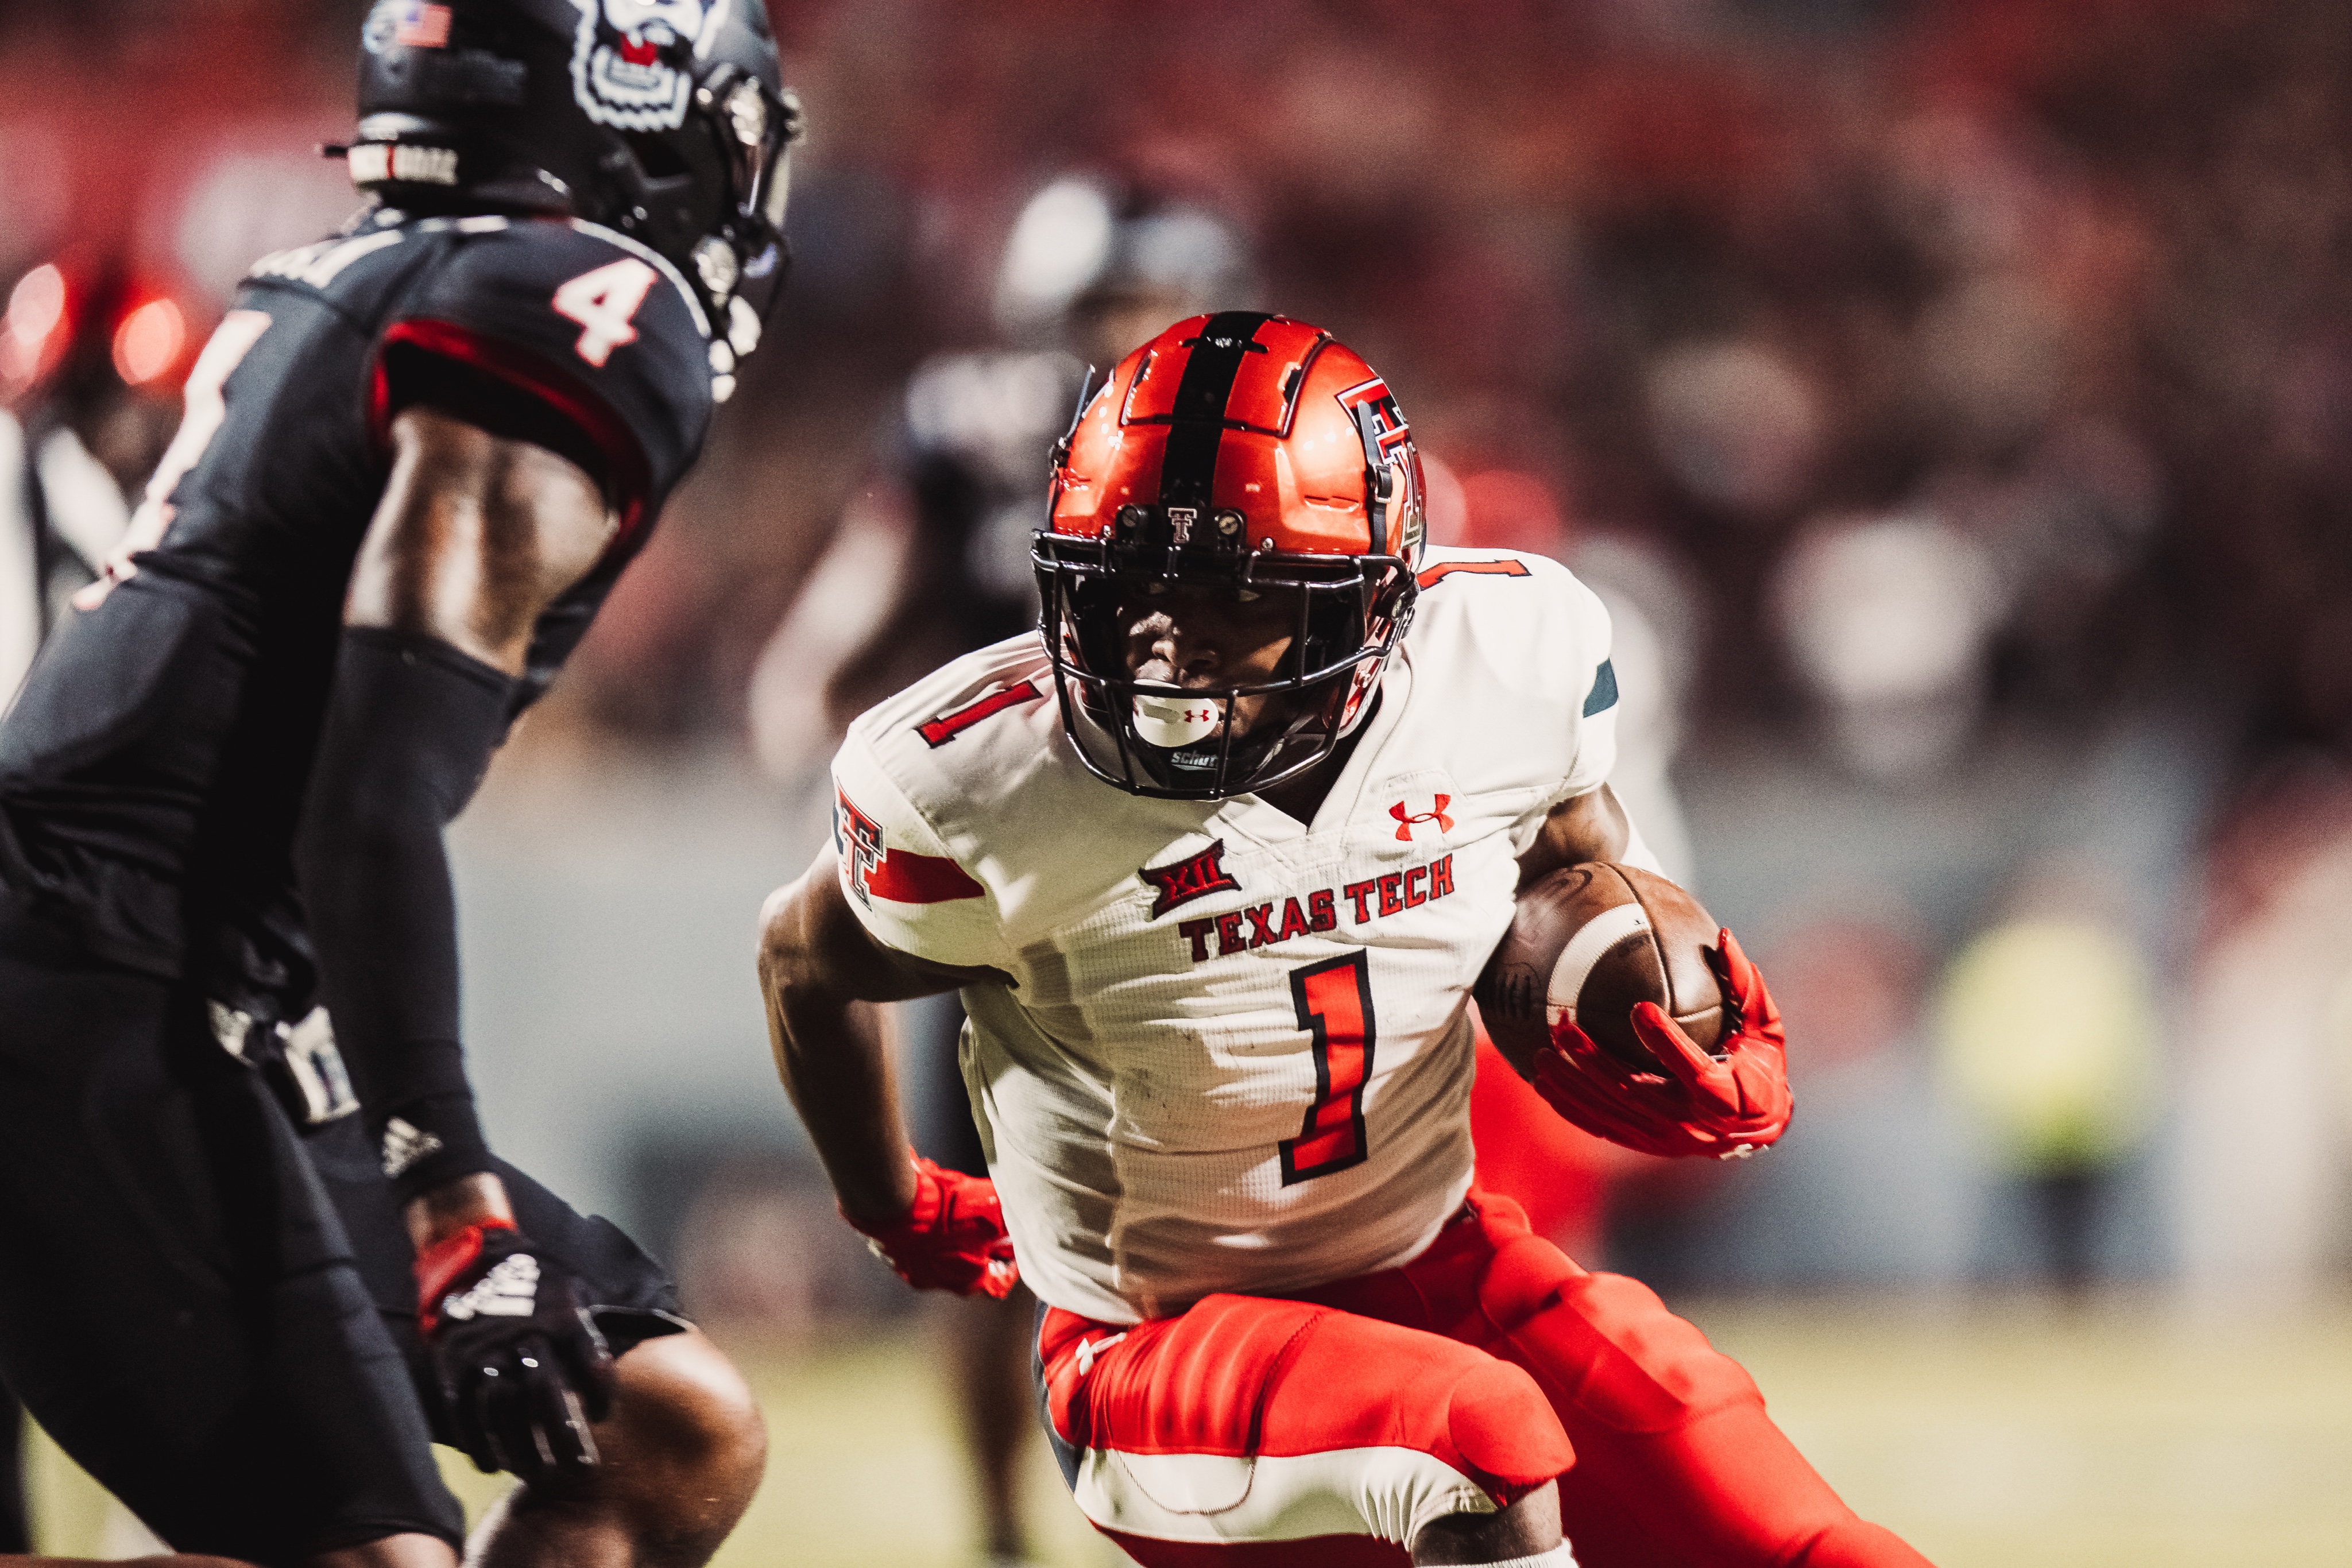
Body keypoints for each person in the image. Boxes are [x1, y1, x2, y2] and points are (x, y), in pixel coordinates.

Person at [760, 313, 1936, 1566]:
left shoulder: (1500, 663)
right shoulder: (982, 781)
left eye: (1226, 598)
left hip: (1437, 1263)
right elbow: (801, 958)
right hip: (1150, 1352)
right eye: (1129, 590)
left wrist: (1665, 998)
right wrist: (886, 1195)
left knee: (1821, 1547)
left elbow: (1575, 860)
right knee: (1476, 1439)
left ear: (1371, 608)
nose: (1165, 646)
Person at [0, 3, 800, 1565]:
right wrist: (455, 1213)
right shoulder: (586, 301)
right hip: (99, 974)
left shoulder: (363, 275)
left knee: (665, 1427)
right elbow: (366, 796)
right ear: (631, 109)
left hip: (196, 983)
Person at [746, 172, 1256, 1566]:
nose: (1122, 328)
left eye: (1145, 299)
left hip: (1198, 853)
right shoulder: (970, 422)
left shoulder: (1254, 432)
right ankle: (997, 1532)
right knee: (988, 1218)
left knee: (1220, 1193)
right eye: (1098, 302)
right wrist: (806, 680)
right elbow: (869, 575)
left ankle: (1218, 1497)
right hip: (1013, 855)